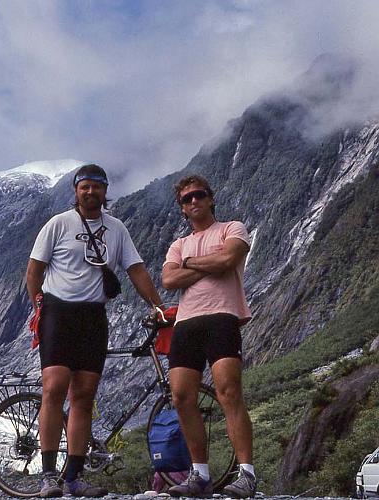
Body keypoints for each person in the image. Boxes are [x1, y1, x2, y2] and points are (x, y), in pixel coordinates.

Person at [27, 164, 163, 498]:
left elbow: (136, 269)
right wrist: (39, 308)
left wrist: (156, 305)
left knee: (84, 396)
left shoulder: (117, 229)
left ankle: (73, 478)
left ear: (105, 191)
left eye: (96, 187)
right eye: (84, 187)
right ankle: (48, 476)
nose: (90, 193)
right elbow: (34, 271)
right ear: (76, 191)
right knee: (55, 387)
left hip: (93, 318)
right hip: (58, 314)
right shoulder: (58, 224)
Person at [161, 175, 257, 498]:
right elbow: (169, 280)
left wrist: (190, 265)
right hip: (186, 323)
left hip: (222, 317)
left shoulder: (233, 228)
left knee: (229, 392)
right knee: (182, 397)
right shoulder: (179, 245)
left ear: (210, 198)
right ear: (182, 209)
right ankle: (199, 475)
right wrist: (209, 264)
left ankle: (246, 474)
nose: (193, 202)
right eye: (186, 200)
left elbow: (229, 259)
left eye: (198, 195)